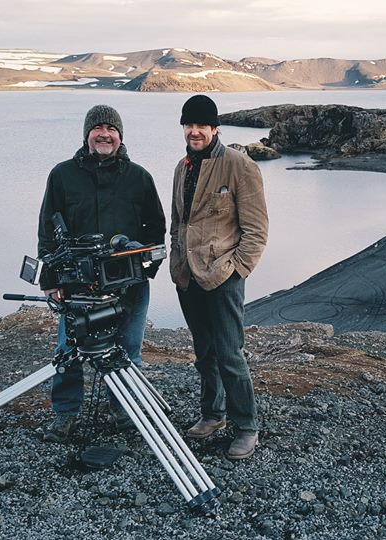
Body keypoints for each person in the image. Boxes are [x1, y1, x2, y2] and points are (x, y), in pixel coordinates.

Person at [38, 104, 166, 443]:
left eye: (111, 129)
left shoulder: (139, 177)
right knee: (68, 351)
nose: (105, 134)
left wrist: (146, 267)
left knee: (128, 350)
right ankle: (65, 413)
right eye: (98, 129)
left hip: (130, 285)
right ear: (87, 135)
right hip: (77, 286)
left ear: (120, 136)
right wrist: (49, 280)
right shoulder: (62, 175)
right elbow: (47, 230)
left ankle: (123, 409)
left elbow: (156, 228)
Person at [169, 95, 269, 460]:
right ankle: (213, 415)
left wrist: (237, 270)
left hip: (223, 276)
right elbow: (178, 223)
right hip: (188, 277)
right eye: (188, 124)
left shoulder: (240, 166)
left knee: (230, 354)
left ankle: (247, 427)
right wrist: (177, 262)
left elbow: (256, 231)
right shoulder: (183, 166)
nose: (194, 131)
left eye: (201, 125)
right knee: (204, 353)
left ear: (214, 128)